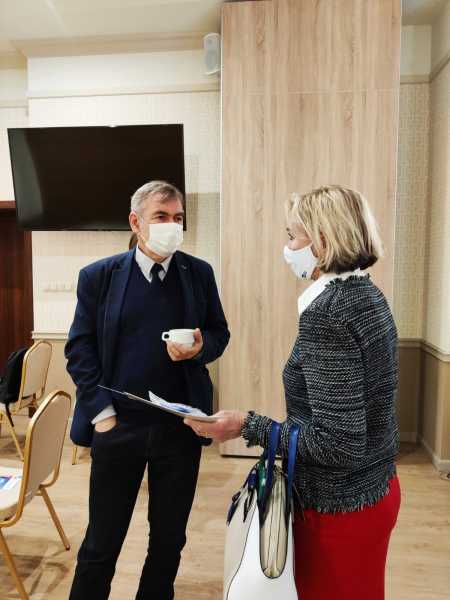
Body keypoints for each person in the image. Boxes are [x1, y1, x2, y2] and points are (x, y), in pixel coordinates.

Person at [185, 185, 401, 600]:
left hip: (339, 507)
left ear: (322, 240)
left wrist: (247, 425)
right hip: (377, 490)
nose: (287, 248)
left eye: (292, 236)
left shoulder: (328, 315)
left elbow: (339, 445)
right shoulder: (368, 294)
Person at [65, 180, 230, 600]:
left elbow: (219, 333)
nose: (171, 225)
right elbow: (79, 349)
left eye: (178, 218)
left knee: (169, 540)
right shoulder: (99, 277)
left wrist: (200, 348)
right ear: (135, 222)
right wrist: (102, 415)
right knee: (102, 542)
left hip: (179, 428)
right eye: (161, 216)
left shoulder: (199, 273)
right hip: (118, 426)